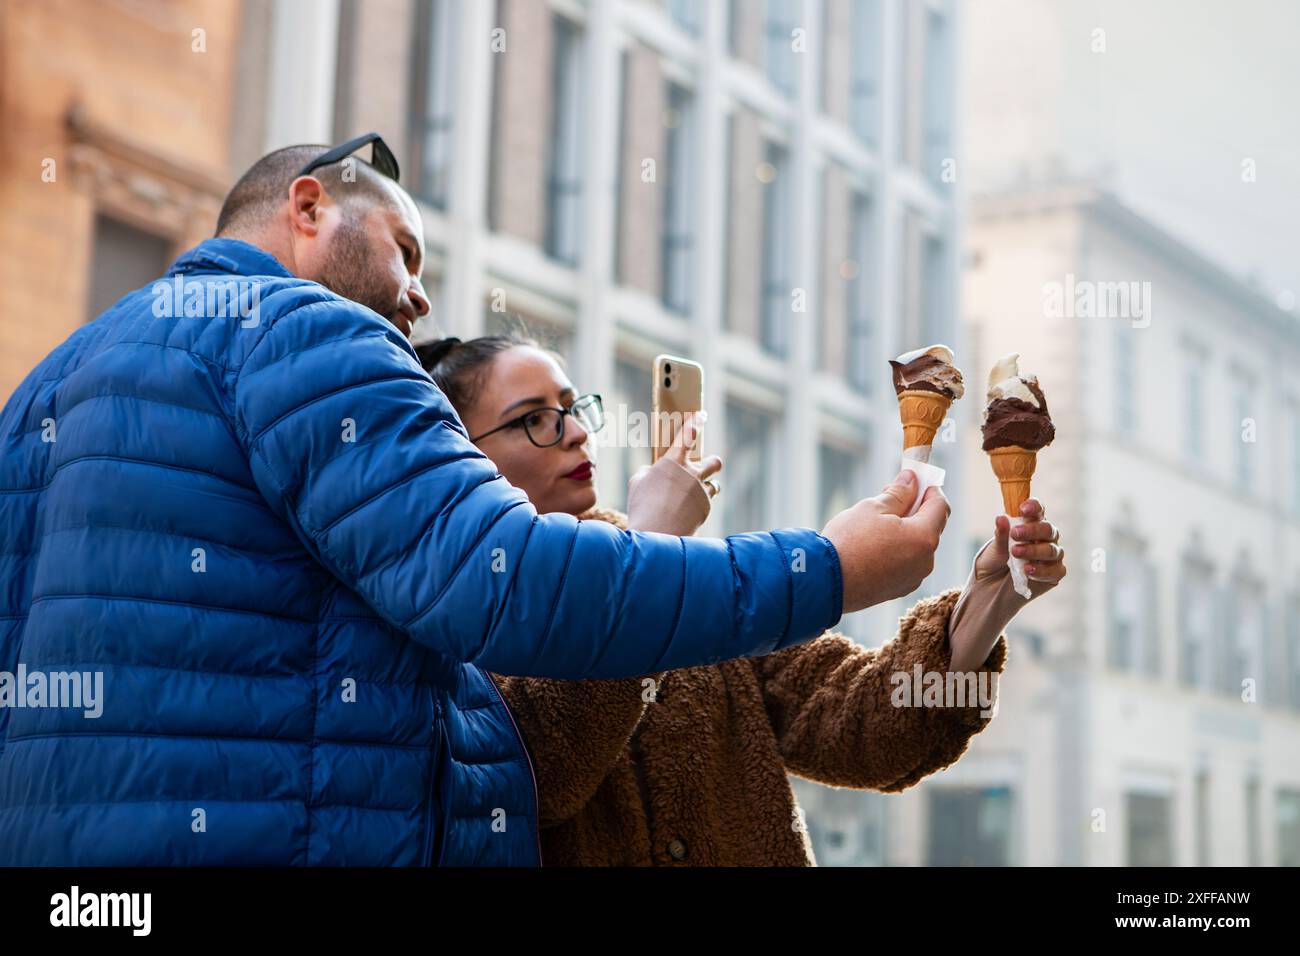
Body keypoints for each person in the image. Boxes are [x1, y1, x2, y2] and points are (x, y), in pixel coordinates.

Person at [0, 135, 948, 866]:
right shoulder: (304, 332)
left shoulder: (43, 388)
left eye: (574, 411)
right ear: (308, 206)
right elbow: (509, 587)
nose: (417, 298)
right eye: (405, 251)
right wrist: (829, 565)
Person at [418, 333, 1067, 865]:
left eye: (572, 407)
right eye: (533, 420)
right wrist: (651, 544)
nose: (575, 433)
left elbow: (861, 725)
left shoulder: (694, 574)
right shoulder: (441, 609)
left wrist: (988, 602)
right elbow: (536, 771)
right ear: (459, 453)